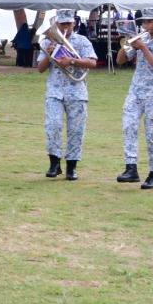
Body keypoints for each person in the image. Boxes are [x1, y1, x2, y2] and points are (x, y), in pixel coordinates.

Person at [116, 9, 153, 190]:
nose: (145, 25)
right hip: (135, 91)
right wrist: (126, 44)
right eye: (143, 22)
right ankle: (131, 167)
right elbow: (119, 61)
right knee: (128, 126)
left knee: (152, 134)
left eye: (149, 21)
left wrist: (143, 48)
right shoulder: (141, 39)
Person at [37, 9, 96, 180]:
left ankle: (72, 166)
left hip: (76, 91)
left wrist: (72, 60)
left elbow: (92, 62)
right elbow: (40, 68)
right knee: (52, 125)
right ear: (56, 24)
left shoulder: (82, 41)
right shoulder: (48, 41)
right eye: (62, 24)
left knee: (76, 130)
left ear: (74, 23)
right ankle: (54, 163)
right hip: (54, 91)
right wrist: (49, 54)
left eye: (68, 24)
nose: (65, 27)